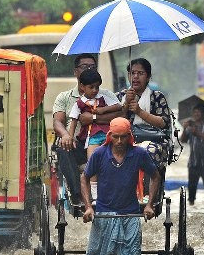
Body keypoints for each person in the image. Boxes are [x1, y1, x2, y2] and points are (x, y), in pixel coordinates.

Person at [80, 117, 161, 255]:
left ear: (129, 136)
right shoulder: (100, 154)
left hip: (129, 213)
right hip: (104, 213)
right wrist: (88, 207)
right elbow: (84, 178)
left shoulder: (138, 154)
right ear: (110, 135)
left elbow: (155, 176)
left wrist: (149, 204)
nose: (119, 141)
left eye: (123, 137)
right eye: (115, 137)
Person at [52, 54, 121, 207]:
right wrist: (65, 135)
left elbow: (120, 115)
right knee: (63, 148)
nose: (89, 69)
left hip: (103, 142)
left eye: (92, 67)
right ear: (75, 72)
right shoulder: (65, 97)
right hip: (77, 144)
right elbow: (58, 121)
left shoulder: (106, 95)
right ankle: (79, 196)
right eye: (84, 66)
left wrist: (94, 119)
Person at [117, 58, 173, 202]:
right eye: (132, 73)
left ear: (148, 77)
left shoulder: (157, 97)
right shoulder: (120, 96)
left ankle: (147, 193)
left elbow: (163, 122)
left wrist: (139, 111)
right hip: (125, 139)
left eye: (140, 73)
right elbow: (115, 123)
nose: (135, 77)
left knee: (148, 152)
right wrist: (125, 105)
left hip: (154, 140)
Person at [68, 68, 121, 157]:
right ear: (82, 86)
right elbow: (73, 121)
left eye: (97, 87)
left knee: (111, 157)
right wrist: (70, 137)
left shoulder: (102, 97)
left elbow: (118, 106)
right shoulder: (79, 103)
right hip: (92, 136)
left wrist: (104, 109)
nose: (94, 90)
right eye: (91, 87)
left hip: (108, 133)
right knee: (92, 159)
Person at [180, 104, 204, 208]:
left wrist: (196, 132)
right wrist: (185, 129)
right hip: (193, 162)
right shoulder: (190, 125)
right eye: (195, 112)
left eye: (199, 112)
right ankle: (191, 207)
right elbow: (183, 140)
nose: (196, 114)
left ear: (203, 113)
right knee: (191, 188)